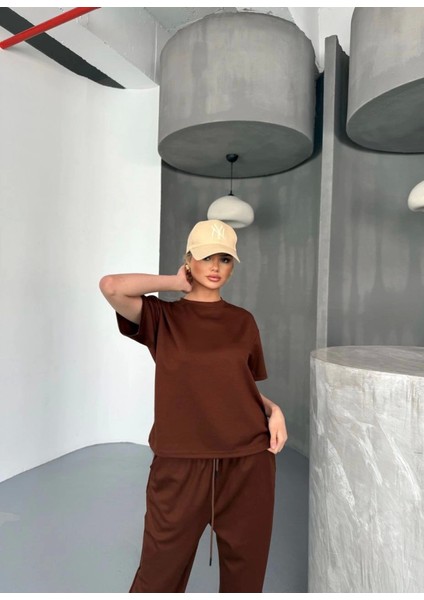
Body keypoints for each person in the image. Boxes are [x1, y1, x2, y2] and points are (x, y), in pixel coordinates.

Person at [99, 219, 288, 593]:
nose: (215, 267)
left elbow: (237, 387)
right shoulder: (162, 318)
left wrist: (273, 410)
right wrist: (173, 282)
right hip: (180, 463)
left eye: (225, 259)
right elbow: (111, 286)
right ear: (189, 260)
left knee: (246, 579)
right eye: (205, 257)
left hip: (247, 461)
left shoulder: (243, 322)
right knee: (158, 577)